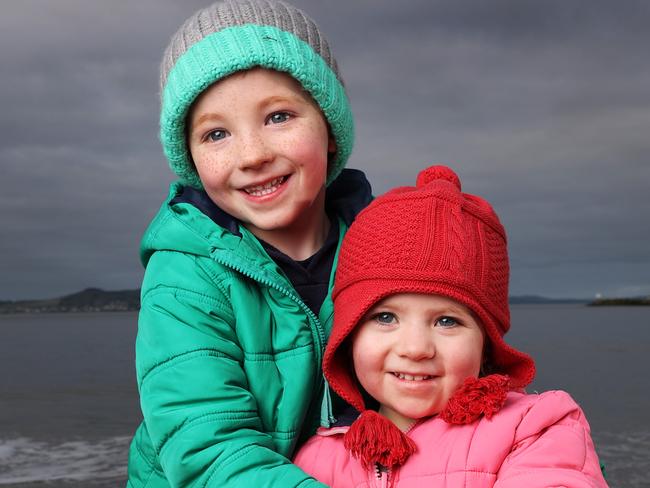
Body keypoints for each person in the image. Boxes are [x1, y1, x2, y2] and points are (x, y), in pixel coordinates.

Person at [126, 1, 371, 486]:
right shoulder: (184, 276)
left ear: (330, 129)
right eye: (216, 133)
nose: (253, 155)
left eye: (279, 117)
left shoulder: (386, 247)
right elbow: (208, 449)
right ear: (191, 161)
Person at [294, 165, 608, 487]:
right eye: (385, 317)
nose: (415, 348)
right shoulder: (317, 459)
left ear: (486, 343)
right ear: (349, 334)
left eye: (447, 321)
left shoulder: (535, 428)